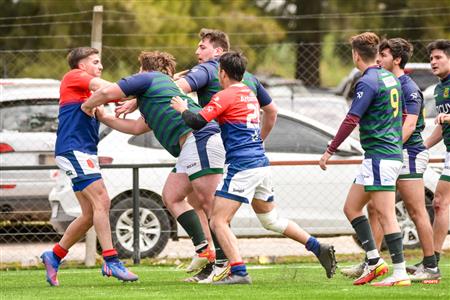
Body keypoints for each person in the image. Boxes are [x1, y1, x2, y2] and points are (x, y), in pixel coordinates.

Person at [171, 51, 337, 285]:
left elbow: (197, 122)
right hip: (260, 163)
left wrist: (181, 108)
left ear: (223, 73)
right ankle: (317, 246)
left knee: (217, 221)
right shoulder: (249, 94)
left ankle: (239, 272)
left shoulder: (225, 95)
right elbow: (267, 113)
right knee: (272, 221)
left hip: (243, 166)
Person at [80, 51, 226, 281]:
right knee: (172, 196)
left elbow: (107, 91)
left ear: (143, 69)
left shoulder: (148, 78)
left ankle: (224, 263)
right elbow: (137, 128)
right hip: (191, 146)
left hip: (200, 138)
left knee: (209, 204)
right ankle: (205, 251)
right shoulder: (156, 94)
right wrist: (105, 118)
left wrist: (87, 106)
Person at [341, 38, 441, 283]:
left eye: (383, 55)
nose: (378, 59)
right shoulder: (386, 82)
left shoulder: (408, 87)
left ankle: (430, 265)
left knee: (416, 210)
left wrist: (389, 148)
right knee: (373, 206)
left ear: (396, 60)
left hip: (407, 153)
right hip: (392, 153)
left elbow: (408, 125)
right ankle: (372, 260)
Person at [40, 47, 138, 286]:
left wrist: (134, 99)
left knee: (88, 214)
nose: (100, 66)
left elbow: (110, 101)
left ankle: (54, 256)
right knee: (102, 201)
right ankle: (111, 260)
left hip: (83, 152)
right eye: (96, 62)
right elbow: (109, 89)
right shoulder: (73, 76)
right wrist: (138, 87)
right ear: (81, 66)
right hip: (73, 150)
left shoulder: (87, 94)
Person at [320, 32, 411, 287]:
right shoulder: (390, 78)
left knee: (385, 214)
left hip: (381, 157)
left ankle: (400, 272)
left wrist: (330, 149)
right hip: (380, 156)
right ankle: (374, 261)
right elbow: (403, 114)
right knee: (351, 207)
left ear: (355, 55)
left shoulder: (368, 81)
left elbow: (351, 119)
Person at [422, 39, 450, 276]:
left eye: (438, 57)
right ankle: (432, 263)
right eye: (431, 58)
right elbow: (442, 128)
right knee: (441, 203)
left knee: (440, 202)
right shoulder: (440, 89)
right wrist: (422, 146)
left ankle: (431, 263)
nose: (433, 62)